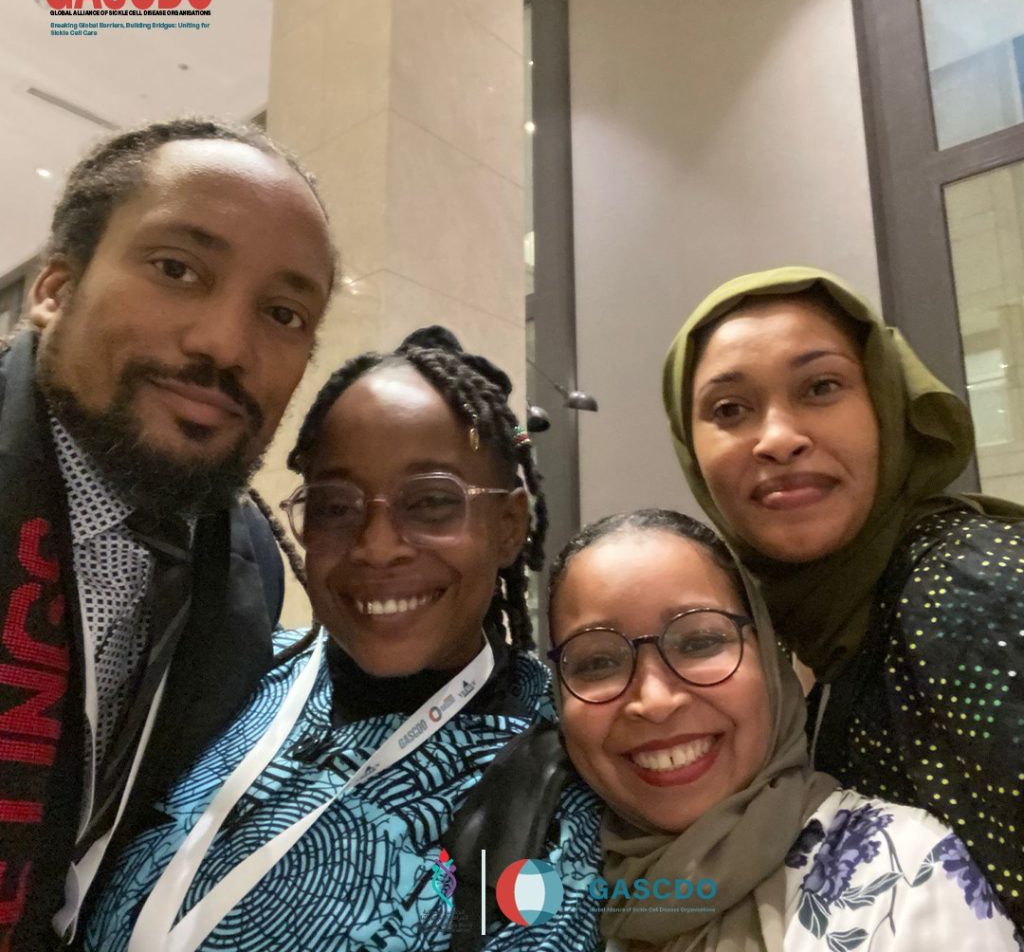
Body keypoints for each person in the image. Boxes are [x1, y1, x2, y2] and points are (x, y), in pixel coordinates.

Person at [83, 327, 603, 952]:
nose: (376, 547)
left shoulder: (560, 773)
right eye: (334, 507)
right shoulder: (232, 674)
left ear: (509, 524)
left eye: (431, 502)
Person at [0, 117, 336, 950]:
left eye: (283, 313)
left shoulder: (247, 567)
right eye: (177, 269)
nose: (225, 344)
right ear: (54, 289)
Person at [661, 266, 1024, 928]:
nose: (779, 439)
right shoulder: (823, 622)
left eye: (821, 387)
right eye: (730, 410)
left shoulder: (965, 589)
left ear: (884, 405)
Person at [547, 508, 1021, 951]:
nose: (654, 701)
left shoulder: (905, 877)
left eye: (700, 641)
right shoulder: (546, 894)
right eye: (597, 662)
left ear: (772, 660)